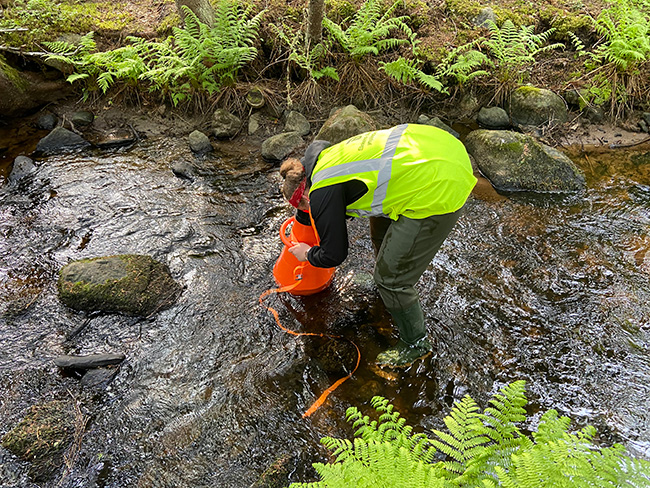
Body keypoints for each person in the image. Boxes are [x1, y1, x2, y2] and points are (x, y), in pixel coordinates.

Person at [279, 123, 477, 368]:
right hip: (437, 146)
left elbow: (334, 254)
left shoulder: (322, 192)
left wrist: (307, 253)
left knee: (392, 278)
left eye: (305, 210)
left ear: (306, 196)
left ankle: (416, 344)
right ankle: (383, 287)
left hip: (440, 182)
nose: (309, 214)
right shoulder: (323, 157)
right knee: (379, 231)